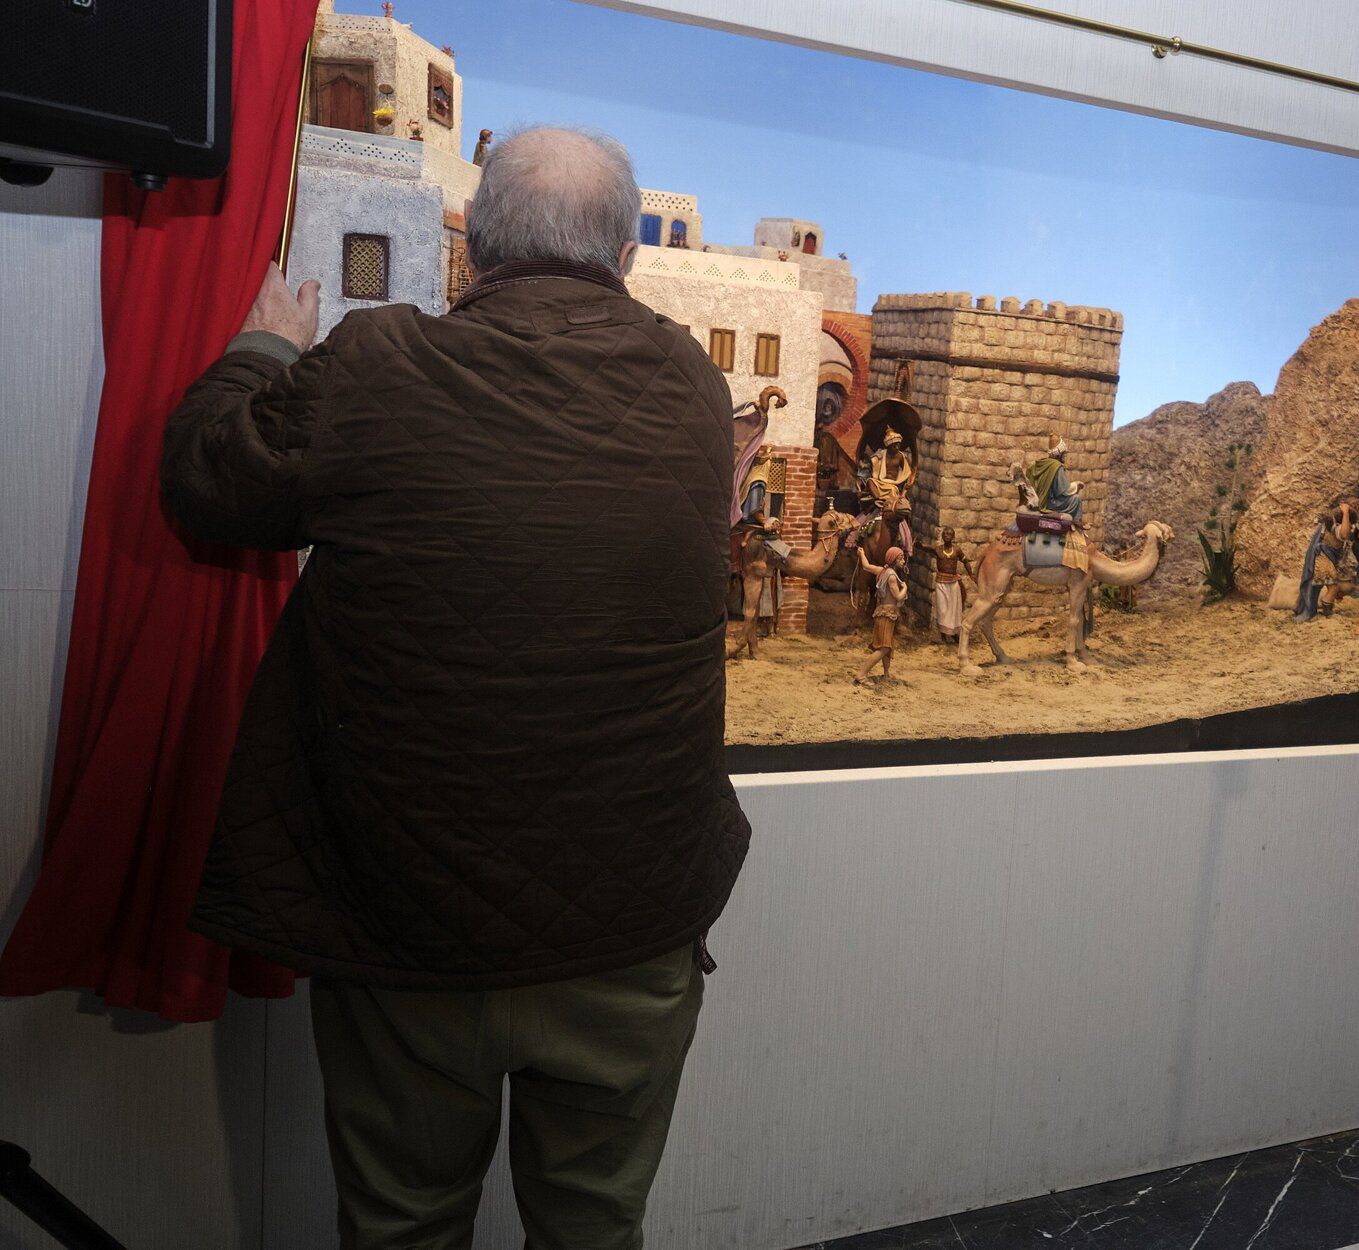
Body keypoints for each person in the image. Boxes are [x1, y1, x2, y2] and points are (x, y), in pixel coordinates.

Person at [160, 127, 752, 1248]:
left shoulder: (378, 363)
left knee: (402, 1226)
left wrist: (260, 347)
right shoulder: (690, 382)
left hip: (413, 931)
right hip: (632, 923)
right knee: (593, 1229)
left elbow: (206, 483)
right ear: (626, 258)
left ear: (472, 253)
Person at [1295, 495, 1358, 620]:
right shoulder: (1335, 523)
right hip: (1323, 557)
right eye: (1354, 505)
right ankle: (1325, 614)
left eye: (1358, 506)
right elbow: (1344, 534)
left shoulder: (1348, 523)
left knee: (1320, 586)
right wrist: (1345, 513)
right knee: (1333, 588)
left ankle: (1312, 611)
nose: (1357, 508)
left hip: (1330, 557)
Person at [855, 545, 909, 682]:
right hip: (886, 614)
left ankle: (886, 674)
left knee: (888, 645)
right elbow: (898, 597)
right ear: (894, 559)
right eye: (901, 558)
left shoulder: (883, 570)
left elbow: (866, 566)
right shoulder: (891, 576)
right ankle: (861, 674)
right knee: (884, 647)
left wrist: (862, 553)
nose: (903, 561)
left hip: (885, 613)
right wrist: (905, 588)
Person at [1024, 431, 1084, 524]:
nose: (1065, 455)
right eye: (1064, 453)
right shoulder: (1057, 466)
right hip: (1050, 503)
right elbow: (1064, 490)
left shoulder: (1042, 463)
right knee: (1076, 499)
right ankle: (1077, 524)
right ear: (1059, 453)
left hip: (1041, 500)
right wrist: (1077, 484)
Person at [931, 527, 973, 644]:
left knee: (953, 609)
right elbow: (925, 548)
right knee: (942, 609)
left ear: (953, 537)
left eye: (949, 534)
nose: (947, 536)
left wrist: (971, 575)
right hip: (941, 583)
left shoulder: (957, 550)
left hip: (953, 583)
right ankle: (943, 635)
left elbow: (966, 562)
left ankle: (954, 634)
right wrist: (917, 544)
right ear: (942, 536)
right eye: (945, 534)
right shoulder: (938, 549)